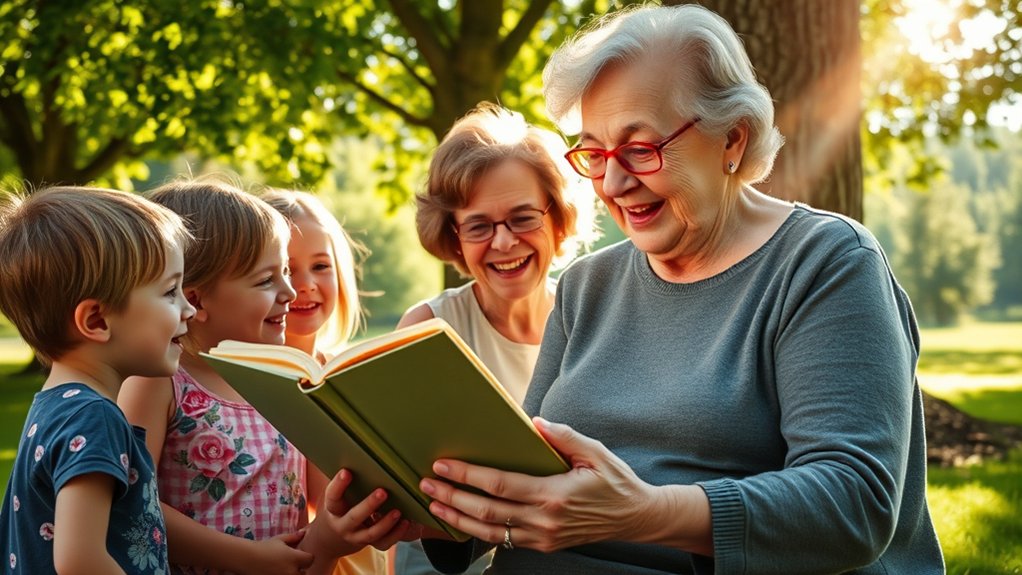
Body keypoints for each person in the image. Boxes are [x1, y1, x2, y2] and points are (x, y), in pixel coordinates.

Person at [415, 4, 945, 574]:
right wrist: (426, 500)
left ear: (732, 140)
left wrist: (642, 514)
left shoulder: (825, 263)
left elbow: (853, 505)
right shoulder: (587, 285)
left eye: (640, 149)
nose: (613, 183)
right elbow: (530, 474)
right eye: (594, 154)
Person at [118, 178, 407, 575]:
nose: (291, 291)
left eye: (284, 272)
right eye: (267, 279)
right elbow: (132, 503)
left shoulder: (281, 381)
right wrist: (248, 558)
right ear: (197, 300)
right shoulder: (160, 381)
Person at [391, 103, 595, 574]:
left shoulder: (593, 316)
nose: (503, 243)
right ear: (454, 236)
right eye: (480, 225)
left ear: (558, 220)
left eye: (523, 218)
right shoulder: (426, 330)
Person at [0, 186, 194, 574]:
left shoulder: (55, 405)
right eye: (171, 292)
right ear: (97, 321)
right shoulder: (93, 417)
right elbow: (79, 560)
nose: (188, 309)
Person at [262, 188, 388, 575]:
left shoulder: (352, 372)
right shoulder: (252, 383)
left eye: (320, 266)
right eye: (285, 270)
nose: (304, 285)